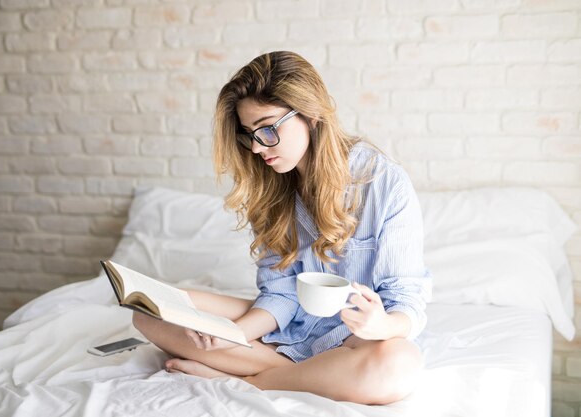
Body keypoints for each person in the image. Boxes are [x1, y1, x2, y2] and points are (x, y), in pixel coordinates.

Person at [132, 51, 432, 405]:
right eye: (249, 135)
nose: (258, 147)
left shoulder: (383, 182)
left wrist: (380, 326)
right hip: (290, 327)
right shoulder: (272, 187)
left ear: (312, 113)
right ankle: (299, 373)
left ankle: (252, 379)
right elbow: (280, 292)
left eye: (268, 129)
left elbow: (406, 301)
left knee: (399, 366)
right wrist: (234, 334)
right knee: (150, 310)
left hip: (355, 338)